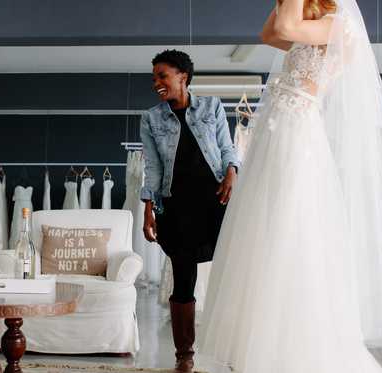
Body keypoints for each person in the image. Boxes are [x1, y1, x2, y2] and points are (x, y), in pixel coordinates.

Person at [199, 0, 382, 372]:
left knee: (287, 227)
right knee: (264, 229)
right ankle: (258, 342)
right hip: (280, 127)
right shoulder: (318, 27)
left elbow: (286, 29)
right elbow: (270, 33)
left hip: (295, 129)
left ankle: (290, 349)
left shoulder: (340, 27)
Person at [140, 49, 240, 373]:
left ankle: (238, 345)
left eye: (162, 75)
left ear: (183, 76)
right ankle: (185, 355)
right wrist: (148, 210)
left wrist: (232, 171)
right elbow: (153, 169)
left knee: (234, 270)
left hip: (215, 202)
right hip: (177, 207)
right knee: (184, 279)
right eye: (154, 76)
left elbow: (227, 149)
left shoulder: (211, 107)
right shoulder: (151, 119)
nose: (156, 82)